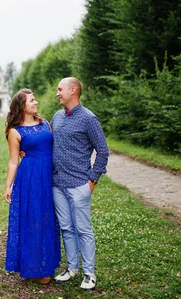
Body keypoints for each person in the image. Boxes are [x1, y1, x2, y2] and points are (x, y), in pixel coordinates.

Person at [51, 77, 109, 290]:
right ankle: (71, 268)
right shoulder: (56, 117)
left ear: (72, 90)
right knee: (66, 228)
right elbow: (47, 142)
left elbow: (103, 151)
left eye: (60, 89)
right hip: (57, 184)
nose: (57, 93)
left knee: (83, 229)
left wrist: (93, 179)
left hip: (79, 184)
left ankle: (89, 273)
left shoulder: (88, 119)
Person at [4, 88, 61, 284]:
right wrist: (8, 186)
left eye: (35, 99)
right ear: (22, 106)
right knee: (33, 218)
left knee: (48, 218)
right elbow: (13, 161)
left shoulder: (45, 123)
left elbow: (54, 147)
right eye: (31, 100)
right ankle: (35, 268)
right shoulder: (15, 132)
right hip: (30, 177)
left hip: (49, 175)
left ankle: (47, 262)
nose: (35, 103)